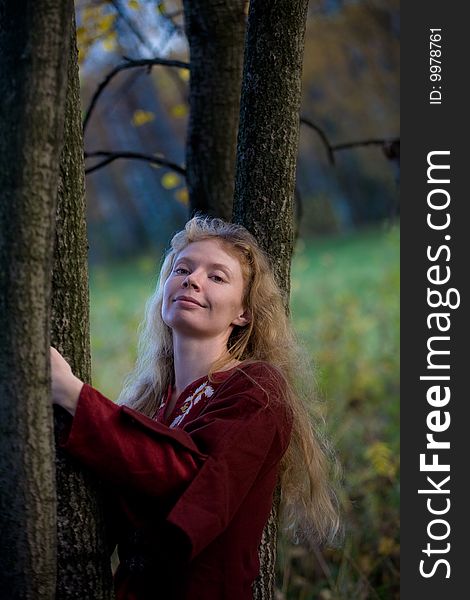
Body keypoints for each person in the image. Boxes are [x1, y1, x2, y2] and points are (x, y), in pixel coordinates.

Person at [51, 215, 340, 600]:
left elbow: (188, 483)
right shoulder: (153, 402)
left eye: (217, 277)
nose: (192, 280)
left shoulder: (256, 391)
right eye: (183, 269)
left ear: (244, 312)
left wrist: (73, 395)